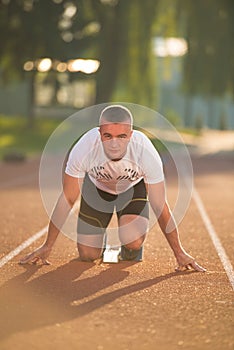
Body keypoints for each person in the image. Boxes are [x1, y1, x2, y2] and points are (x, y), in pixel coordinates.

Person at [20, 105, 206, 272]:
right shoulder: (84, 148)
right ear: (99, 132)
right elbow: (68, 198)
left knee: (132, 240)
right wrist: (47, 246)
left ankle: (131, 246)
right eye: (107, 136)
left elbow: (159, 204)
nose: (114, 143)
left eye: (121, 136)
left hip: (132, 189)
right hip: (96, 188)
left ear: (131, 135)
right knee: (87, 254)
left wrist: (179, 253)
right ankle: (101, 242)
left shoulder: (145, 152)